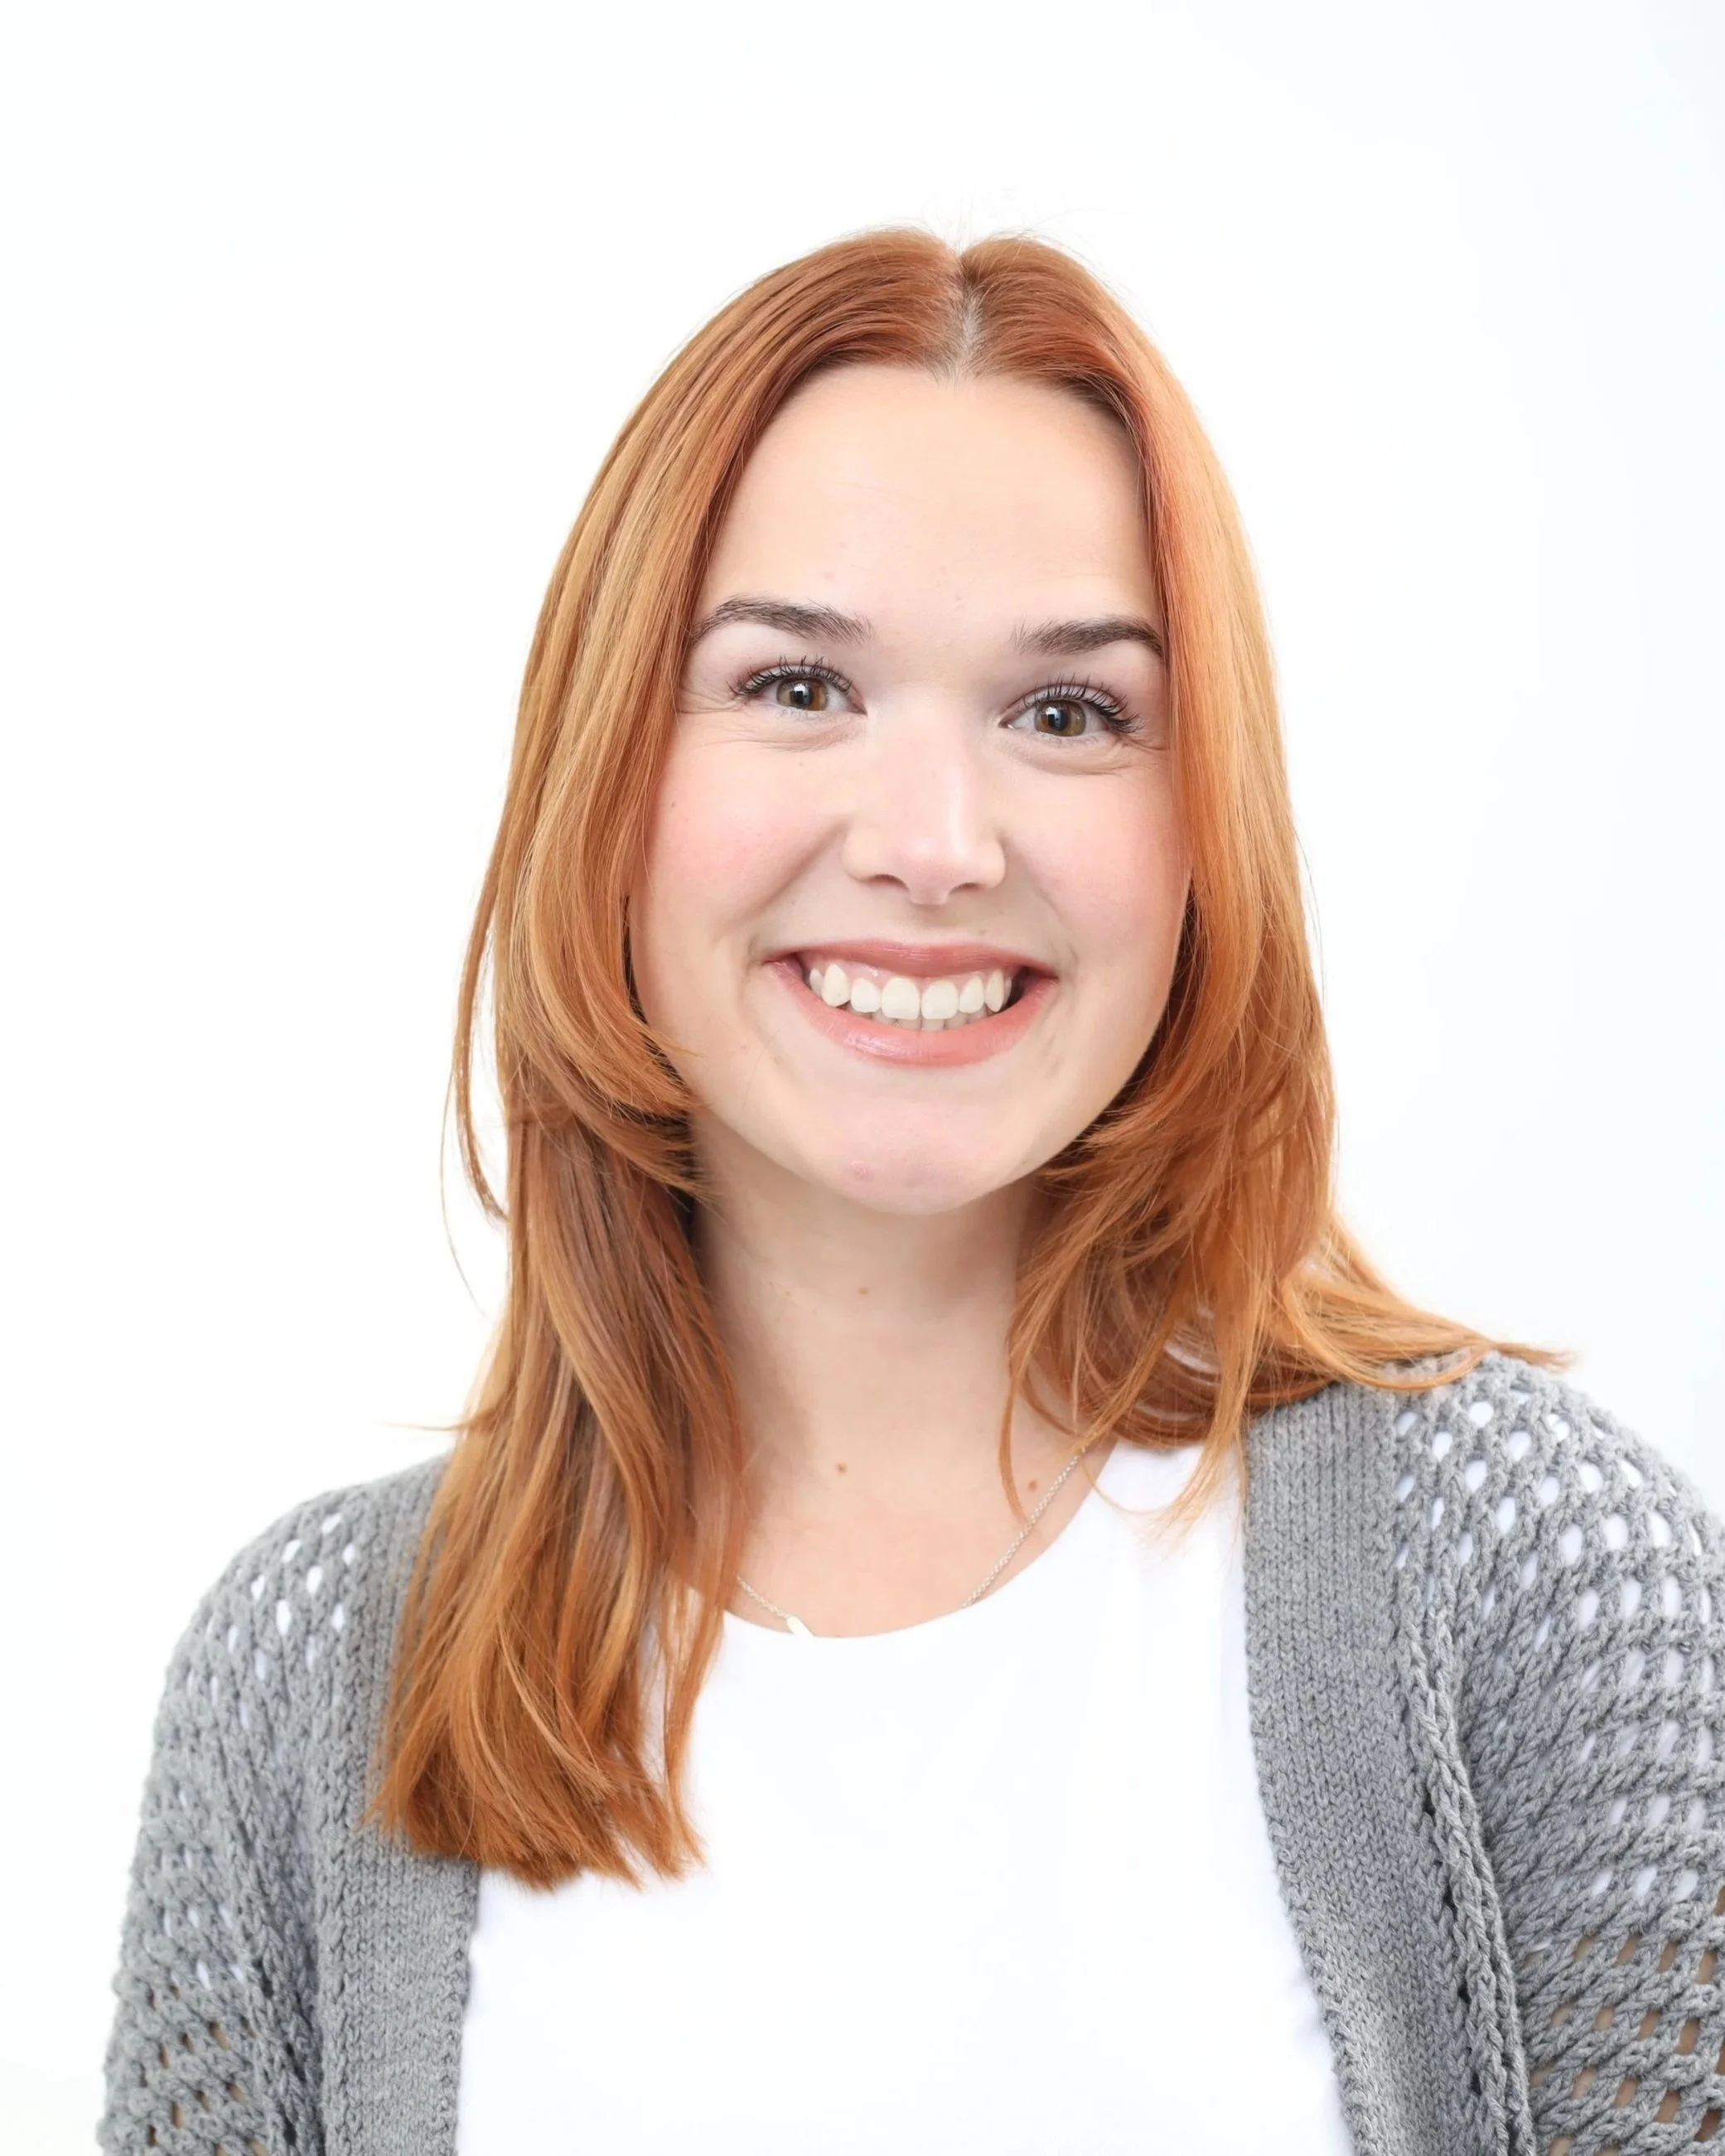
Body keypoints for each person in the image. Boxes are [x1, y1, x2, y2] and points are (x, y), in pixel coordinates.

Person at [99, 227, 1725, 2156]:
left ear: (1205, 827)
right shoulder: (315, 1677)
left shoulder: (1537, 1580)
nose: (938, 843)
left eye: (1070, 712)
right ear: (606, 776)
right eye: (798, 683)